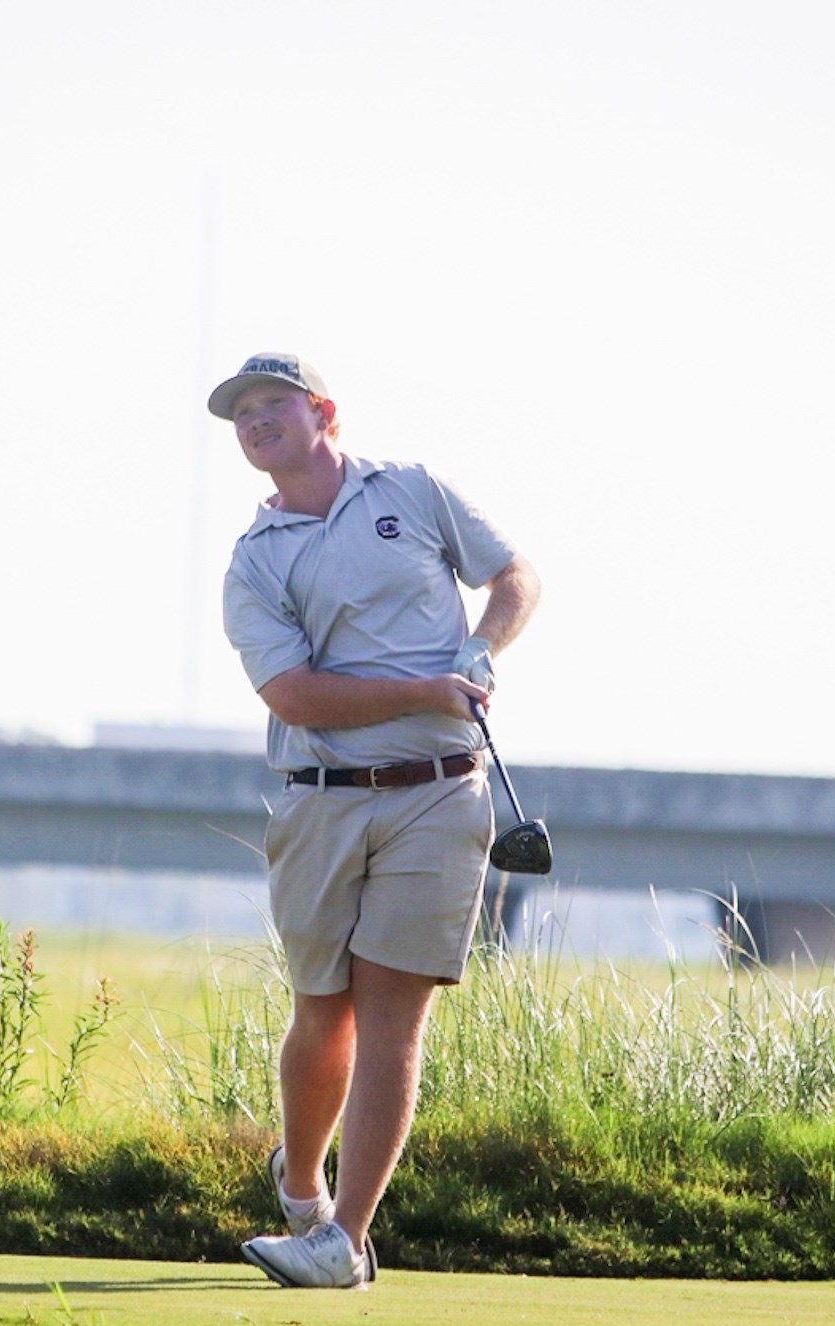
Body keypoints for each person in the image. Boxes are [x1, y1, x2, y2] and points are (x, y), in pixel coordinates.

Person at [214, 352, 541, 1288]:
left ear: (323, 412)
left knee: (393, 1021)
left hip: (444, 790)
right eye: (240, 414)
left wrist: (480, 648)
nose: (253, 421)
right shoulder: (253, 559)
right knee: (324, 1012)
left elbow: (514, 574)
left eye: (271, 404)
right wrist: (426, 687)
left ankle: (341, 1243)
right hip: (322, 800)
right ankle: (304, 1188)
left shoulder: (412, 489)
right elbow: (295, 695)